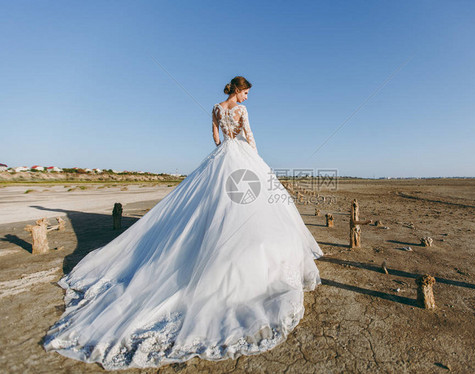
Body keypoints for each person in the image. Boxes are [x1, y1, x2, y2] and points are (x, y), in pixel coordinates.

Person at [43, 76, 324, 370]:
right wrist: (254, 159)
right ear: (238, 90)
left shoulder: (216, 107)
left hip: (221, 156)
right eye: (246, 93)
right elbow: (250, 137)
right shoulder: (242, 112)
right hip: (240, 157)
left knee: (209, 208)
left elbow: (215, 137)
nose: (247, 98)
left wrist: (224, 145)